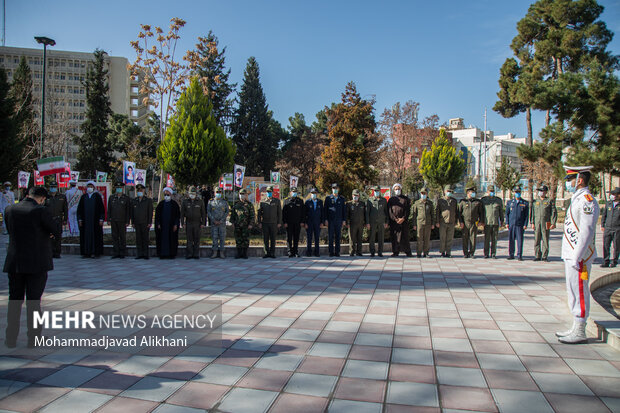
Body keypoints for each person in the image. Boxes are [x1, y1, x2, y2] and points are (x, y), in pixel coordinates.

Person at [3, 187, 60, 348]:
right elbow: (55, 230)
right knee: (34, 302)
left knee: (14, 301)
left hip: (15, 262)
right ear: (42, 198)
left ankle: (10, 338)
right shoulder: (40, 211)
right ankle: (33, 339)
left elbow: (10, 231)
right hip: (36, 262)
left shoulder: (10, 209)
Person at [557, 166, 600, 344]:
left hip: (579, 256)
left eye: (570, 180)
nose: (568, 183)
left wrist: (577, 255)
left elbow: (587, 231)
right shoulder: (577, 199)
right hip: (572, 254)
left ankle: (580, 329)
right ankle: (576, 325)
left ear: (579, 180)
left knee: (580, 291)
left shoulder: (587, 201)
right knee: (573, 290)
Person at [76, 181, 105, 258]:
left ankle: (96, 252)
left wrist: (101, 219)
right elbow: (79, 210)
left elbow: (102, 209)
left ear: (94, 188)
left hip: (95, 221)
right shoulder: (83, 197)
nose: (89, 188)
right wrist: (80, 219)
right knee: (85, 236)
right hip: (85, 221)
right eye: (88, 186)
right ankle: (86, 252)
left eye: (91, 186)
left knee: (96, 236)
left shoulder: (97, 196)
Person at [531, 184, 557, 262]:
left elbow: (553, 212)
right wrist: (532, 222)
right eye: (540, 191)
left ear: (545, 192)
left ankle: (545, 256)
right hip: (537, 222)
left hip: (546, 223)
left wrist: (553, 222)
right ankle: (537, 255)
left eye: (542, 191)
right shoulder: (535, 201)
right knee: (537, 239)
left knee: (545, 239)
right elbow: (532, 212)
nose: (540, 192)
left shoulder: (549, 201)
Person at [458, 186, 484, 258]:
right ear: (468, 193)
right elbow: (459, 213)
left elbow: (481, 212)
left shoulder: (478, 202)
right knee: (465, 238)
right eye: (471, 193)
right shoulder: (463, 201)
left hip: (474, 222)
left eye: (473, 193)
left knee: (473, 238)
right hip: (465, 222)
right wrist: (460, 222)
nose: (473, 194)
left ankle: (472, 252)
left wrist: (481, 221)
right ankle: (465, 253)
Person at [181, 186, 206, 259]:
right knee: (189, 239)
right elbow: (182, 213)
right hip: (188, 222)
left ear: (196, 194)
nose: (192, 195)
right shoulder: (185, 201)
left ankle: (196, 254)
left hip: (197, 223)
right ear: (188, 194)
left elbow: (203, 213)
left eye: (194, 193)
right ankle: (189, 254)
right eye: (191, 193)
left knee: (197, 239)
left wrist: (203, 223)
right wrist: (182, 223)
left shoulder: (200, 201)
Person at [107, 181, 131, 259]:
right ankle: (116, 252)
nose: (119, 189)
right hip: (114, 220)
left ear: (123, 188)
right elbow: (109, 209)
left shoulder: (126, 198)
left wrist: (128, 221)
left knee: (122, 237)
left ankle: (122, 252)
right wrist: (108, 219)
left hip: (122, 220)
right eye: (117, 188)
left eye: (120, 188)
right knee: (115, 236)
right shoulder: (111, 197)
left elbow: (128, 211)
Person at [388, 183, 412, 257]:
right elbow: (389, 211)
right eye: (396, 189)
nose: (397, 190)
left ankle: (408, 252)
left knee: (405, 236)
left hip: (403, 221)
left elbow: (408, 210)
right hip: (394, 222)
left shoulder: (405, 199)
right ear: (393, 190)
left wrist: (403, 218)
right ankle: (395, 251)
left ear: (401, 189)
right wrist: (395, 219)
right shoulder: (391, 199)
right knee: (395, 237)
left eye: (398, 189)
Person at [155, 187, 180, 259]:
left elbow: (177, 216)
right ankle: (162, 254)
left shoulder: (174, 204)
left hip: (171, 226)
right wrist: (158, 223)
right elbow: (157, 215)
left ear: (171, 195)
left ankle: (171, 254)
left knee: (171, 239)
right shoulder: (161, 204)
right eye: (165, 194)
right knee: (162, 240)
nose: (166, 196)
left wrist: (176, 224)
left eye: (168, 194)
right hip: (163, 226)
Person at [505, 185, 529, 261]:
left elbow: (526, 215)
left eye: (518, 192)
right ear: (514, 193)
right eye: (516, 192)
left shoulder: (524, 203)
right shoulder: (510, 202)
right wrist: (507, 222)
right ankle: (511, 254)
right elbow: (507, 213)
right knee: (511, 240)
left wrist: (525, 224)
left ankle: (519, 255)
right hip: (512, 224)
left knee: (520, 240)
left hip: (520, 224)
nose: (517, 193)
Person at [258, 185, 282, 258]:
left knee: (273, 239)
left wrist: (279, 222)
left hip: (274, 223)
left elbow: (279, 213)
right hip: (265, 223)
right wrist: (259, 222)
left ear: (272, 192)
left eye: (270, 192)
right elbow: (259, 213)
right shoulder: (262, 201)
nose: (269, 193)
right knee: (265, 239)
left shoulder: (277, 201)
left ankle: (272, 253)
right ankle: (266, 253)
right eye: (268, 192)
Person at [45, 181, 68, 258]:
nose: (53, 188)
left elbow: (65, 209)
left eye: (54, 187)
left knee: (58, 237)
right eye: (51, 187)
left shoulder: (62, 196)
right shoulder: (46, 197)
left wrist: (65, 219)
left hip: (58, 219)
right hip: (49, 219)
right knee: (49, 237)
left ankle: (57, 252)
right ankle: (50, 252)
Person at [481, 185, 504, 259]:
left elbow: (501, 212)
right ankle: (486, 253)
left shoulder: (498, 200)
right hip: (487, 222)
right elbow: (481, 212)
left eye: (493, 191)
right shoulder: (484, 200)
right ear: (487, 192)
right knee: (486, 239)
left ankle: (493, 253)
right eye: (490, 191)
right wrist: (481, 221)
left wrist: (502, 221)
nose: (491, 192)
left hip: (495, 222)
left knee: (494, 239)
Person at [231, 188, 255, 259]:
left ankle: (244, 253)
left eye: (243, 194)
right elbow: (233, 215)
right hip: (237, 225)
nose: (242, 195)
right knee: (238, 240)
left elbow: (252, 215)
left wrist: (251, 224)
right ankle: (239, 253)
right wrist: (232, 223)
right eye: (240, 194)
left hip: (246, 225)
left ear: (246, 195)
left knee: (245, 239)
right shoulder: (236, 204)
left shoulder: (249, 205)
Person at [412, 186, 435, 258]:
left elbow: (432, 214)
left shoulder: (430, 203)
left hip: (428, 223)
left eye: (425, 193)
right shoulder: (417, 203)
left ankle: (426, 253)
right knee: (419, 239)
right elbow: (414, 214)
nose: (423, 194)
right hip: (419, 223)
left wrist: (433, 224)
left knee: (427, 239)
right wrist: (414, 224)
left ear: (427, 194)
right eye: (422, 193)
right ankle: (419, 253)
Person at [324, 183, 346, 257]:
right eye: (333, 188)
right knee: (330, 237)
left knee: (338, 237)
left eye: (336, 188)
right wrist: (325, 220)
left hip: (339, 220)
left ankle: (337, 252)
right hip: (330, 221)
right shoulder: (328, 199)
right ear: (332, 189)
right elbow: (325, 210)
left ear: (338, 189)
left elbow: (344, 211)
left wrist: (344, 220)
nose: (335, 190)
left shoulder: (342, 199)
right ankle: (331, 252)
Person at [436, 185, 458, 257]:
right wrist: (437, 222)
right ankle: (442, 252)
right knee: (443, 238)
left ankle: (448, 252)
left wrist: (456, 221)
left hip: (451, 222)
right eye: (448, 191)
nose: (449, 192)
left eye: (450, 191)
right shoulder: (440, 200)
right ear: (445, 191)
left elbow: (456, 212)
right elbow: (437, 212)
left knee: (449, 238)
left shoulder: (454, 201)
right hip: (443, 222)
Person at [132, 183, 153, 259]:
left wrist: (149, 222)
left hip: (145, 222)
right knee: (138, 239)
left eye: (141, 190)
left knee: (145, 239)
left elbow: (150, 212)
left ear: (144, 191)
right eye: (138, 190)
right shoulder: (134, 200)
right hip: (137, 222)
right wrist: (133, 222)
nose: (139, 191)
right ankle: (139, 254)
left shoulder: (147, 200)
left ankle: (145, 254)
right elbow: (132, 212)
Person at [282, 187, 305, 257]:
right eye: (293, 191)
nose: (294, 193)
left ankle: (295, 252)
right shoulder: (286, 201)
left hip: (297, 223)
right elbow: (283, 213)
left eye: (295, 192)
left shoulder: (300, 201)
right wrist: (284, 222)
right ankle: (289, 252)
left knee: (296, 238)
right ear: (290, 193)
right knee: (289, 238)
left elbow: (303, 212)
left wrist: (302, 221)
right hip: (289, 223)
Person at [600, 187, 620, 268]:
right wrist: (602, 224)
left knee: (616, 246)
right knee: (606, 245)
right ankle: (606, 261)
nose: (612, 196)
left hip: (617, 228)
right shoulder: (608, 203)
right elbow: (604, 215)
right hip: (608, 228)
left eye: (614, 194)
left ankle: (614, 261)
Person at [366, 186, 388, 257]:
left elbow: (386, 212)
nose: (376, 192)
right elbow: (367, 213)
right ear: (373, 191)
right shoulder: (370, 200)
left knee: (381, 237)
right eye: (375, 191)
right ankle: (372, 252)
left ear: (380, 191)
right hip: (372, 221)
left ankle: (380, 252)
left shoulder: (384, 200)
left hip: (381, 221)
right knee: (372, 237)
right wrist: (367, 223)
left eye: (377, 191)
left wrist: (387, 222)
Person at [207, 187, 229, 258]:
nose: (218, 193)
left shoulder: (224, 202)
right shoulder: (211, 202)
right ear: (214, 193)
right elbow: (209, 212)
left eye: (219, 192)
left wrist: (221, 220)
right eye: (217, 192)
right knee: (214, 238)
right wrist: (214, 220)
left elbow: (227, 212)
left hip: (222, 224)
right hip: (214, 223)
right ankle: (215, 252)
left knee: (222, 238)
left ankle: (222, 252)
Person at [304, 188, 324, 257]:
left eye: (315, 193)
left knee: (317, 238)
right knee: (309, 238)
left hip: (317, 223)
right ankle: (309, 252)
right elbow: (304, 213)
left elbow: (322, 213)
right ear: (310, 194)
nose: (314, 194)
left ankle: (317, 252)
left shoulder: (320, 202)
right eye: (312, 193)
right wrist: (305, 223)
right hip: (309, 223)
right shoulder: (307, 202)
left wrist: (322, 222)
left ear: (317, 194)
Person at [346, 189, 366, 256]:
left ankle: (359, 252)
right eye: (354, 195)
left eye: (357, 195)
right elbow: (347, 215)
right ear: (352, 195)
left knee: (360, 238)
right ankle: (351, 252)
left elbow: (365, 214)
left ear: (359, 196)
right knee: (352, 238)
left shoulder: (362, 204)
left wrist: (365, 223)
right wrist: (347, 223)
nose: (355, 196)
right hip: (352, 224)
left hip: (360, 224)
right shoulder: (349, 204)